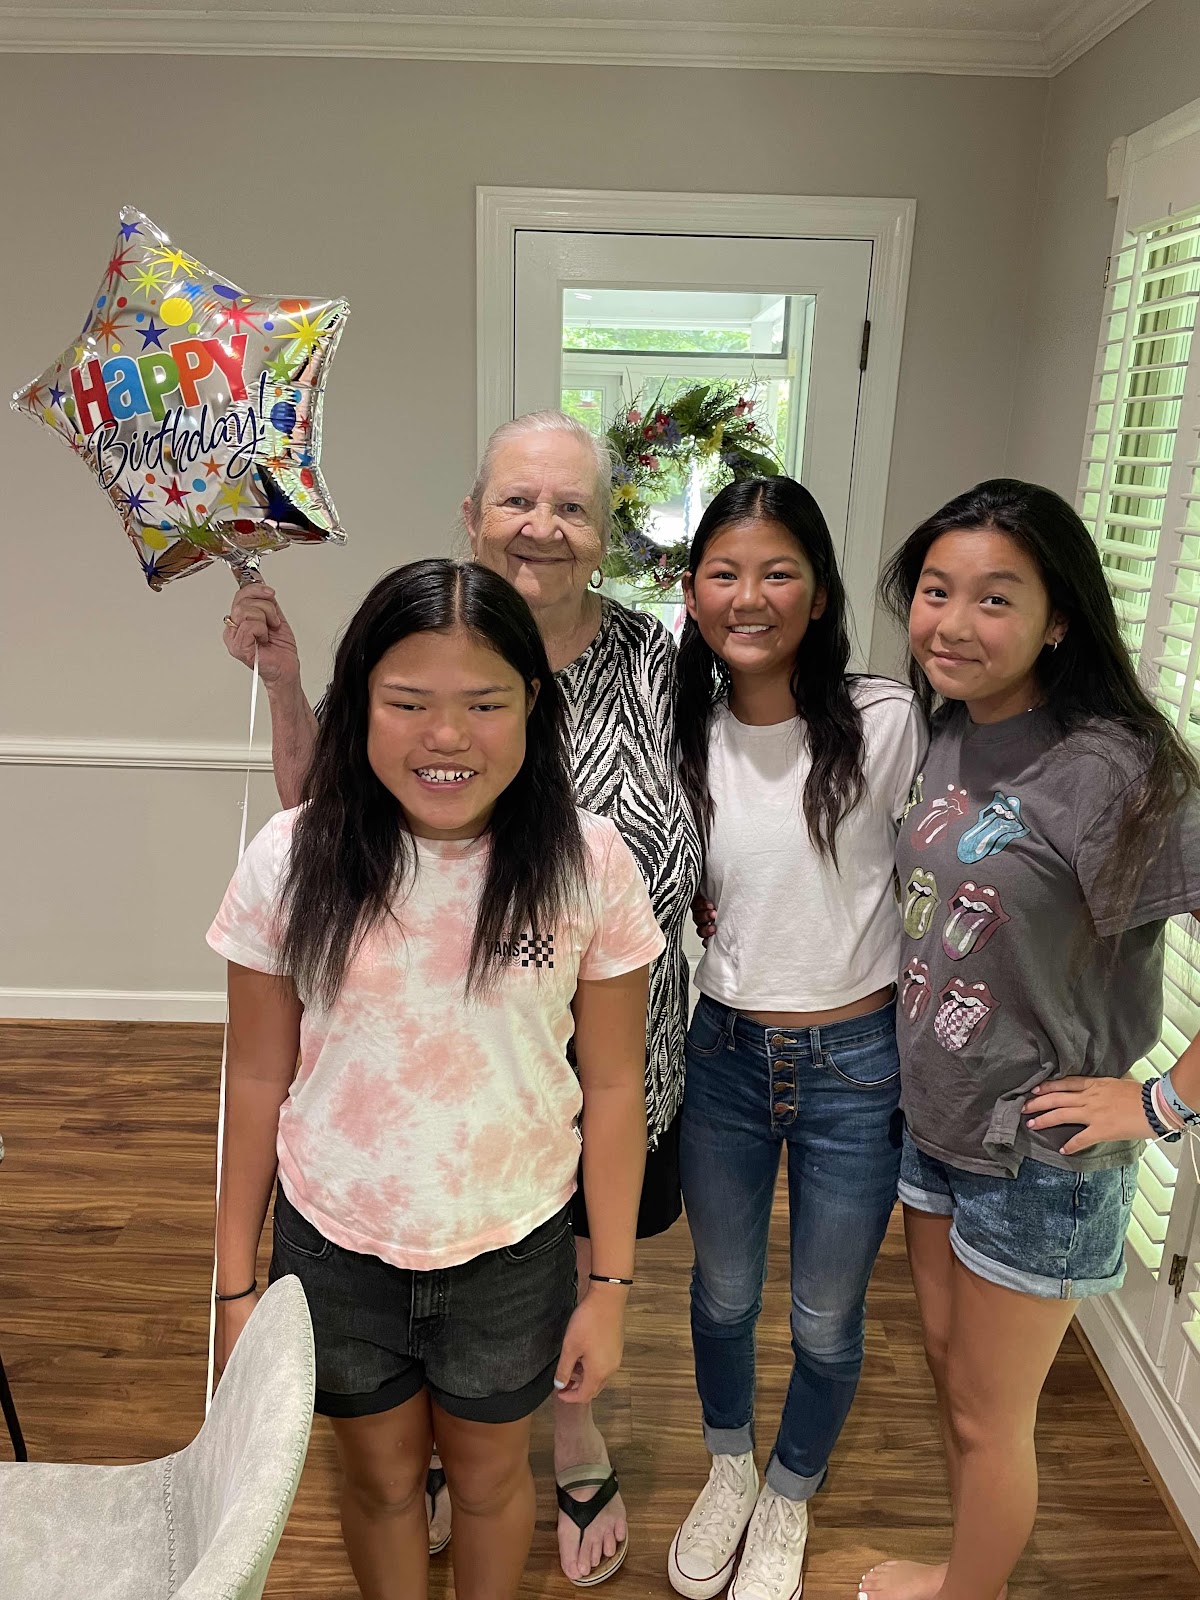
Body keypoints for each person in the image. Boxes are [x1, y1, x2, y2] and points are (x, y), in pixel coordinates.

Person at [221, 410, 702, 1584]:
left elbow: (612, 1085)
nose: (447, 735)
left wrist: (608, 1287)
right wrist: (234, 1278)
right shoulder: (292, 858)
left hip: (512, 1249)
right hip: (335, 1244)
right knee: (381, 1482)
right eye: (407, 701)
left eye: (486, 702)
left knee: (489, 1482)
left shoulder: (589, 864)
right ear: (362, 702)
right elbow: (257, 1073)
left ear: (533, 705)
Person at [860, 480, 1200, 1600]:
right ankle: (973, 1571)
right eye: (936, 591)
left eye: (995, 598)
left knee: (986, 1412)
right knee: (954, 1378)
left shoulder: (1115, 768)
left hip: (1043, 1156)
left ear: (1059, 619)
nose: (953, 623)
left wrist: (1159, 1103)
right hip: (939, 1121)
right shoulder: (950, 731)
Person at [667, 478, 925, 1600]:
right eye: (724, 573)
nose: (750, 596)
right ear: (692, 594)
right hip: (722, 1053)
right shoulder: (681, 727)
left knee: (826, 1315)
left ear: (819, 594)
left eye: (778, 572)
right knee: (722, 1295)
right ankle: (729, 1467)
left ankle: (789, 1489)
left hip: (856, 1067)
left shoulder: (886, 720)